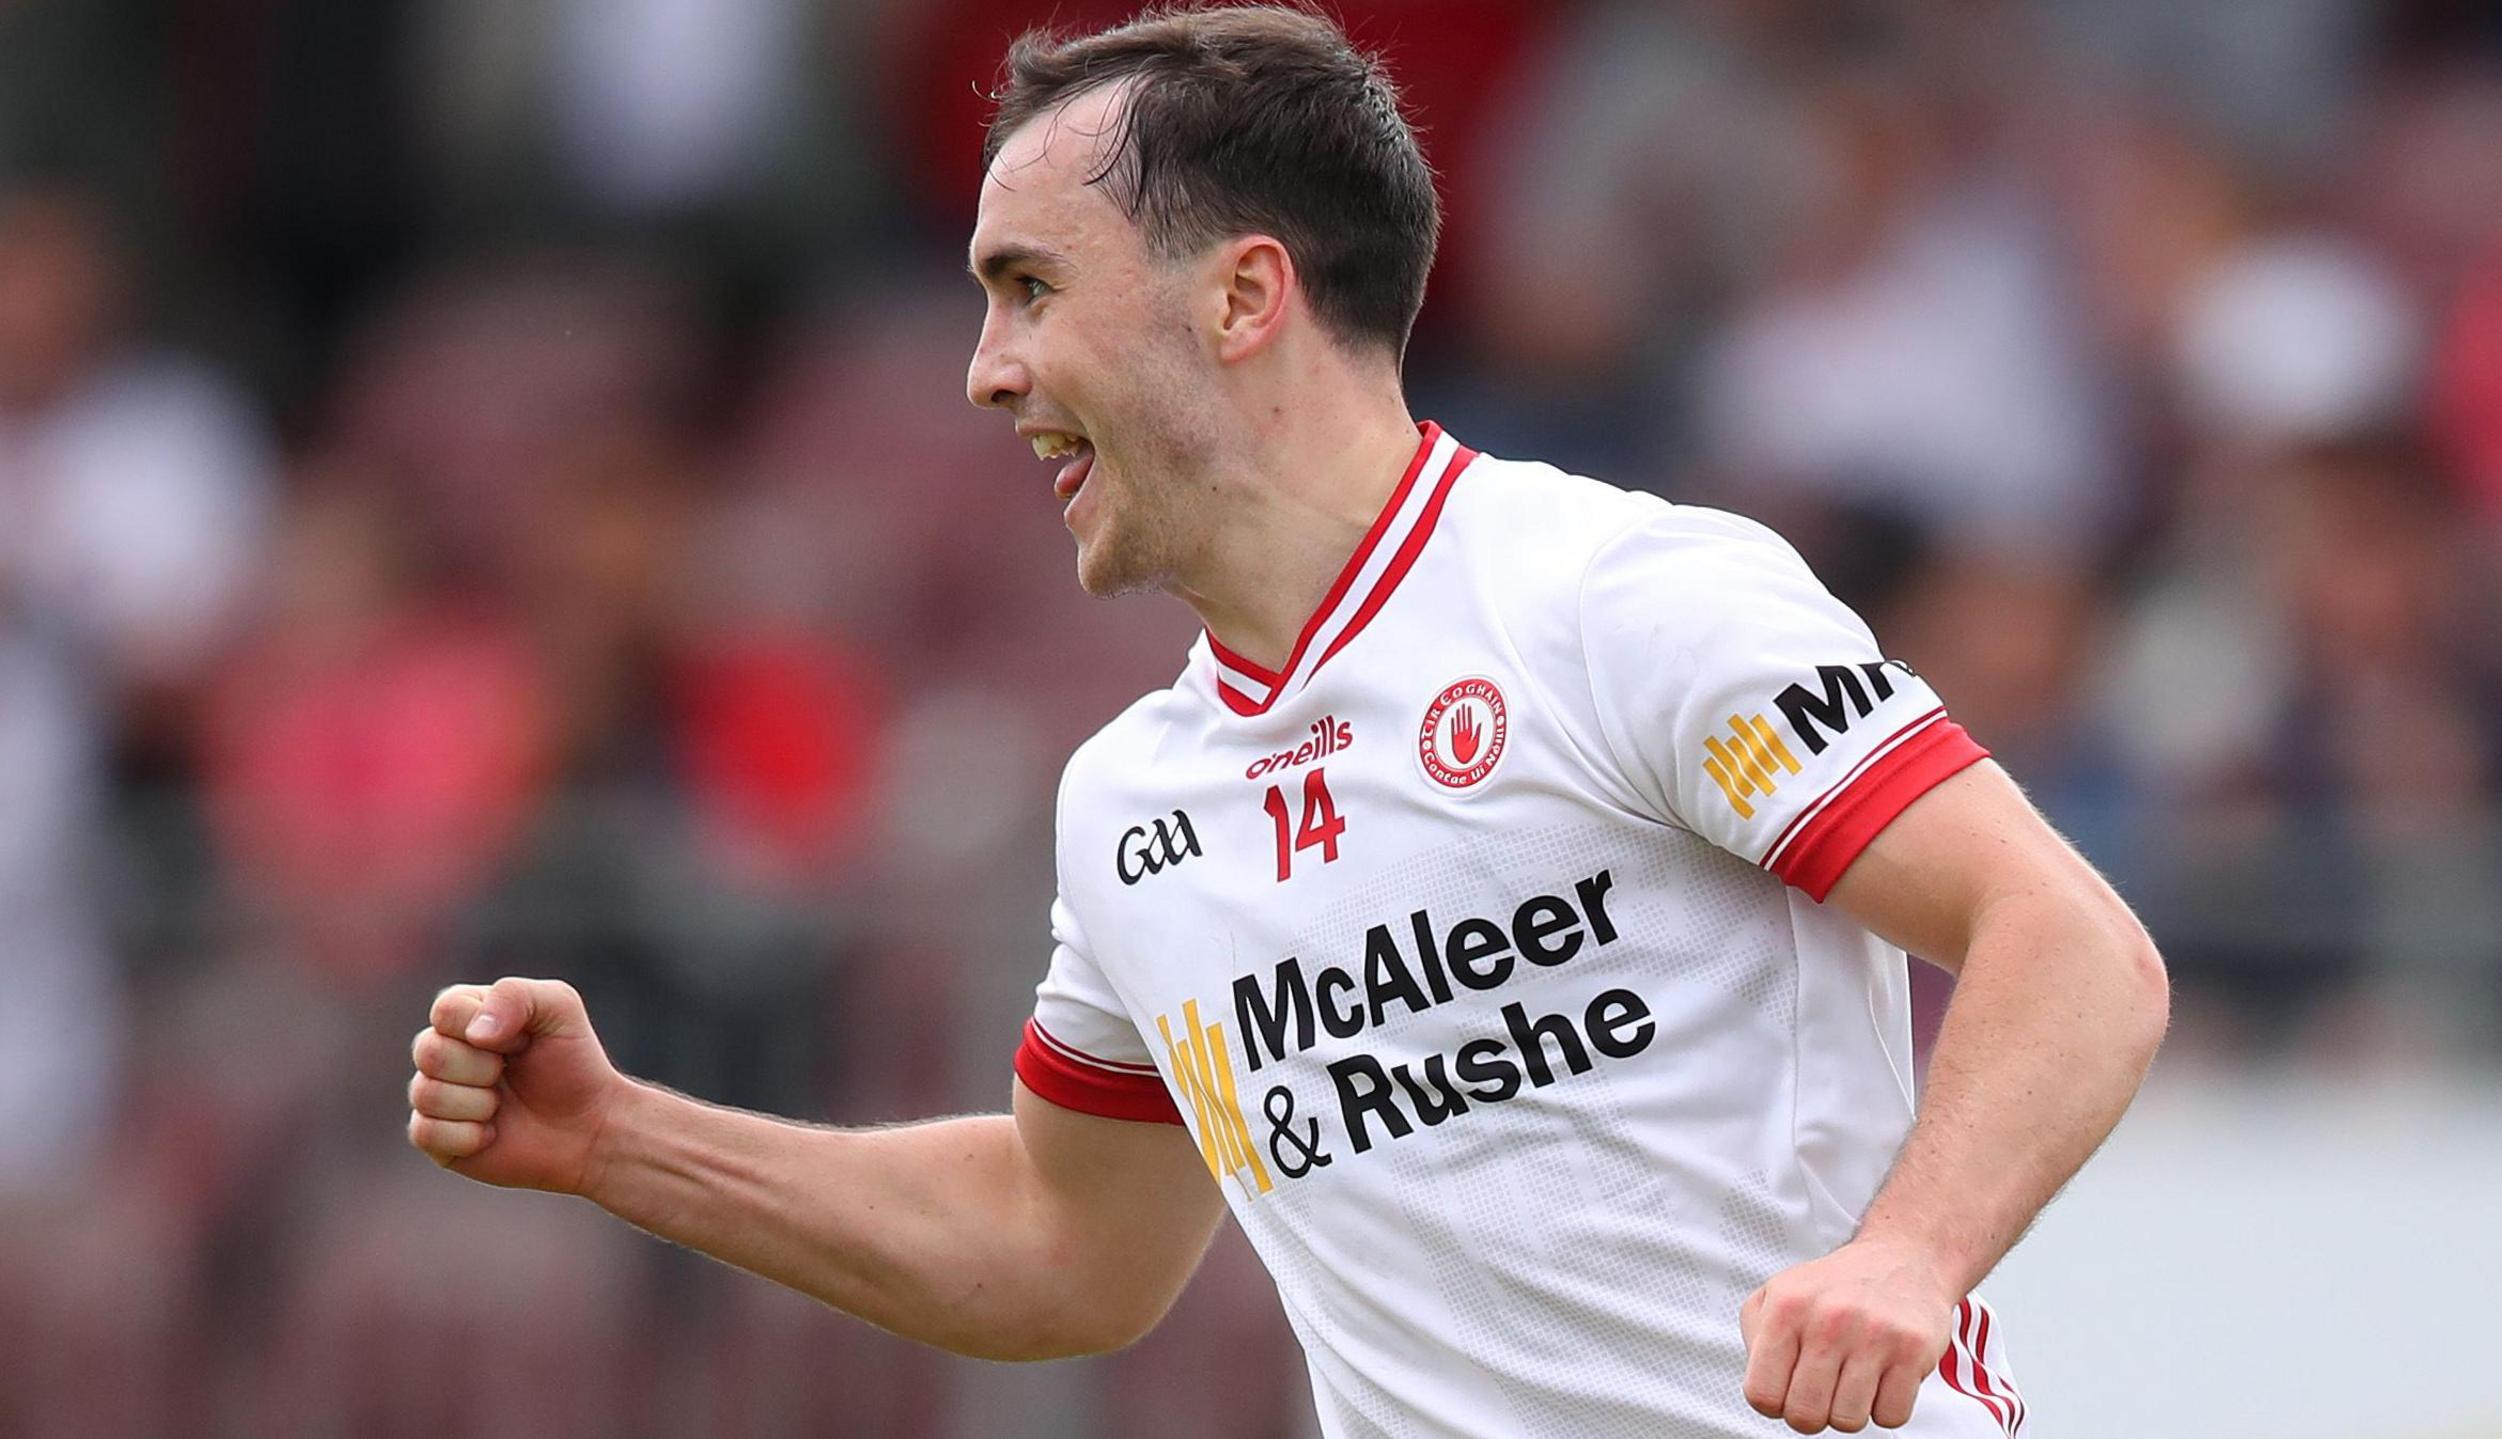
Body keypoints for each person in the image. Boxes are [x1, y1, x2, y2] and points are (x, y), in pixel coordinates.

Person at [406, 8, 2167, 1435]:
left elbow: (2070, 945)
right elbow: (1060, 1253)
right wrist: (625, 1140)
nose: (985, 369)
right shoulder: (1131, 805)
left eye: (1031, 287)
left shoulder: (1618, 598)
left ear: (1244, 298)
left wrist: (1912, 1261)